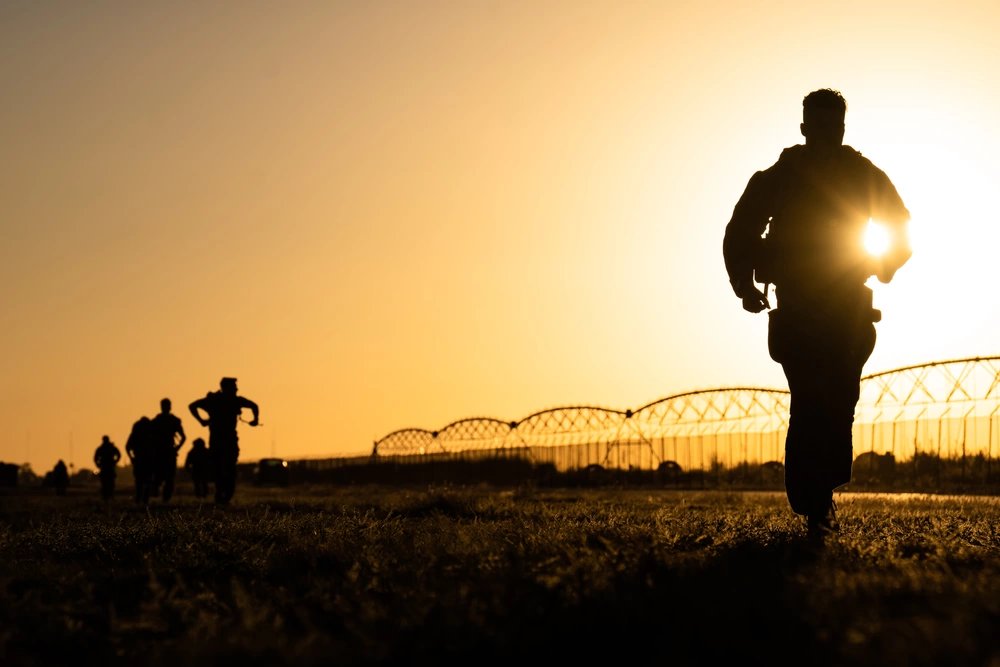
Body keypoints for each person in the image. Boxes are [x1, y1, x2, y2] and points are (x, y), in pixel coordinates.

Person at [723, 88, 911, 540]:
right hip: (800, 308)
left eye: (834, 126)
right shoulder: (778, 177)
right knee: (811, 401)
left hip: (846, 309)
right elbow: (739, 233)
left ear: (842, 128)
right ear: (804, 127)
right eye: (819, 125)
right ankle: (814, 501)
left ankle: (819, 496)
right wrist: (744, 286)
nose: (827, 134)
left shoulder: (864, 176)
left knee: (838, 402)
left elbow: (900, 230)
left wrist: (880, 266)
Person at [188, 377, 259, 505]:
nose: (236, 389)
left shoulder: (227, 400)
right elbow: (192, 406)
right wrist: (255, 420)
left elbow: (254, 406)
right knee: (220, 468)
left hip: (227, 440)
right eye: (234, 387)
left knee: (228, 467)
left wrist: (202, 421)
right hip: (219, 440)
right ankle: (221, 493)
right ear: (226, 388)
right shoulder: (218, 400)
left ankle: (225, 493)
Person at [150, 398, 186, 502]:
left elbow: (183, 437)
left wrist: (176, 448)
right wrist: (177, 448)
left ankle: (165, 497)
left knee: (166, 476)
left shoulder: (157, 421)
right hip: (163, 451)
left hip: (165, 452)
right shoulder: (169, 420)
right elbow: (183, 437)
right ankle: (162, 496)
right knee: (163, 476)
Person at [125, 416, 154, 504]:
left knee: (140, 481)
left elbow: (127, 447)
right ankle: (143, 498)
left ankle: (140, 498)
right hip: (145, 459)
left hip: (141, 459)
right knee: (145, 480)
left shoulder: (135, 435)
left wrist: (131, 457)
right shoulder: (150, 434)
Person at [93, 435, 121, 501]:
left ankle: (109, 496)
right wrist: (98, 465)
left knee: (109, 483)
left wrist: (115, 461)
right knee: (105, 483)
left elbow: (119, 455)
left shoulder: (104, 448)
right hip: (106, 467)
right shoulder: (103, 448)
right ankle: (106, 496)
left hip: (108, 467)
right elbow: (95, 458)